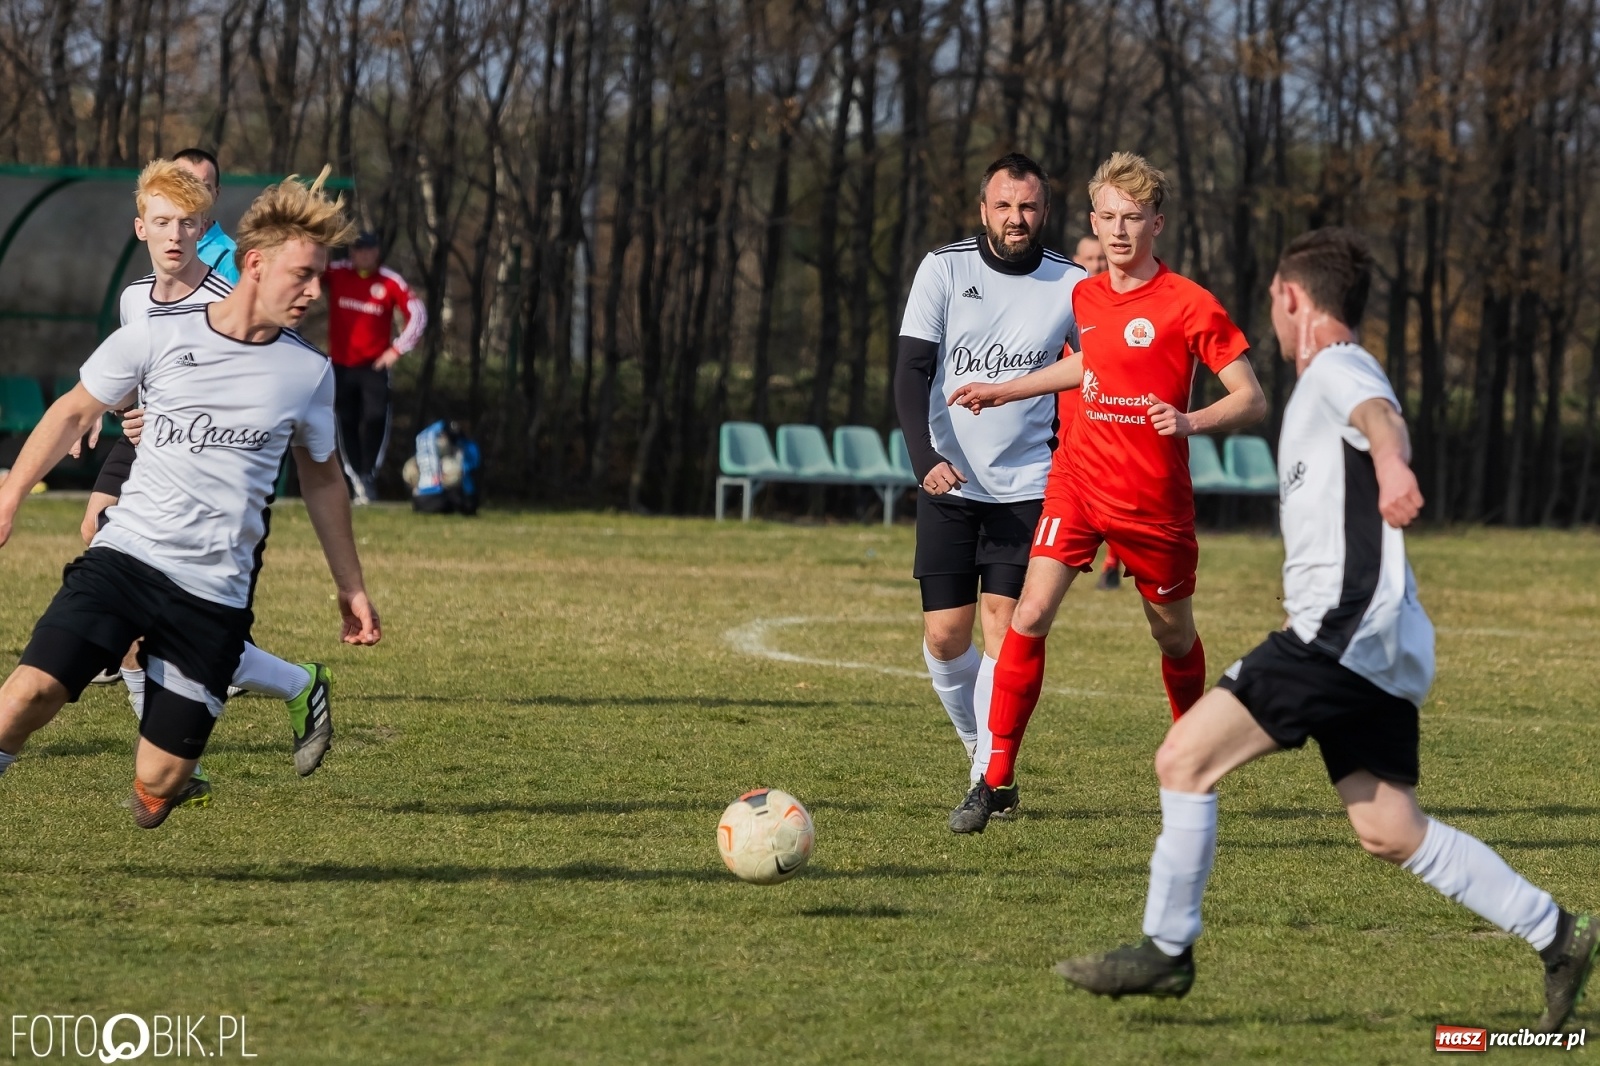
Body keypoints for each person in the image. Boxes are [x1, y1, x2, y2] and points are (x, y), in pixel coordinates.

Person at [1053, 228, 1598, 1035]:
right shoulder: (1325, 383)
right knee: (1388, 828)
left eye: (1274, 301)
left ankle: (1168, 950)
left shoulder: (1339, 369)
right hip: (1377, 641)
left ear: (1291, 299)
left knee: (1183, 758)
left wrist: (1395, 464)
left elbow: (1379, 419)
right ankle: (1560, 935)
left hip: (1341, 634)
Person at [0, 170, 380, 829]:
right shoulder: (159, 334)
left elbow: (322, 477)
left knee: (158, 787)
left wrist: (351, 586)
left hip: (213, 594)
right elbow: (70, 412)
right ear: (255, 265)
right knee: (27, 694)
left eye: (321, 276)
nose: (315, 292)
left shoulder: (307, 372)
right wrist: (9, 497)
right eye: (304, 275)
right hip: (124, 560)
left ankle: (168, 762)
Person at [946, 152, 1267, 832]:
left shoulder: (1189, 304)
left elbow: (1252, 399)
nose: (1119, 232)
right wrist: (1003, 389)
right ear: (1093, 220)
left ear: (1158, 223)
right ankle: (995, 778)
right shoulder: (1085, 296)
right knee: (1028, 614)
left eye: (1133, 218)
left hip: (1153, 503)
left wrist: (1189, 421)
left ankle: (1195, 763)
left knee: (1173, 636)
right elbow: (1090, 365)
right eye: (1108, 218)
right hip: (1079, 483)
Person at [77, 160, 337, 799]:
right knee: (98, 540)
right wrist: (116, 408)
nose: (174, 234)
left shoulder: (223, 299)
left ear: (204, 227)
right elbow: (129, 371)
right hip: (145, 444)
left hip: (206, 462)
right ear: (142, 227)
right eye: (163, 222)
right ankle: (162, 750)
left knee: (178, 623)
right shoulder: (134, 296)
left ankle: (297, 683)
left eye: (187, 222)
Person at [894, 153, 1087, 832]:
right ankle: (982, 741)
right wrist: (925, 458)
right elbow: (911, 371)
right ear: (983, 209)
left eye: (1028, 207)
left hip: (1029, 486)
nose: (1016, 219)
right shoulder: (943, 268)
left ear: (1044, 211)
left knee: (1005, 626)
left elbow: (1096, 371)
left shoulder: (1071, 282)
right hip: (949, 482)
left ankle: (989, 771)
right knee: (946, 637)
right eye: (1004, 206)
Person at [325, 232, 426, 504]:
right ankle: (355, 476)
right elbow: (306, 276)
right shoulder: (336, 273)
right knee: (344, 420)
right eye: (358, 251)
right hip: (341, 365)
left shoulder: (390, 281)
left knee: (374, 418)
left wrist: (397, 349)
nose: (363, 256)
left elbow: (417, 314)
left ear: (377, 252)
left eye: (368, 251)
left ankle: (368, 473)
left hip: (374, 366)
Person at [1072, 234, 1124, 592]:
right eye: (1089, 258)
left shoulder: (1122, 306)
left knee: (1116, 489)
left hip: (1107, 415)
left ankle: (1111, 563)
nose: (1096, 265)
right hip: (1066, 413)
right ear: (1076, 261)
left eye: (1101, 259)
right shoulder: (1067, 303)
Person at [172, 147, 239, 284]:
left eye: (204, 189)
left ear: (216, 194)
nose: (194, 197)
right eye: (183, 186)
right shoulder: (166, 244)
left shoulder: (229, 259)